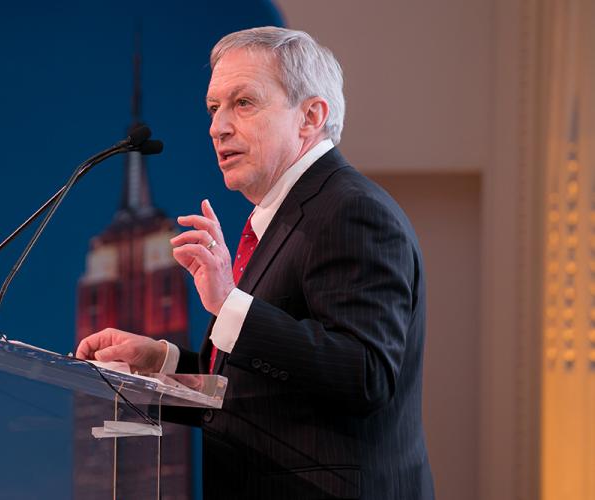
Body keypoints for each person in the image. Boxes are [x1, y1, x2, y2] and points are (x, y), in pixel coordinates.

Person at [76, 27, 434, 499]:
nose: (217, 126)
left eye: (243, 103)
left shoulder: (351, 210)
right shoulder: (284, 217)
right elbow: (258, 384)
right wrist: (159, 362)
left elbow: (363, 375)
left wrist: (228, 303)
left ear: (310, 116)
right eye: (213, 108)